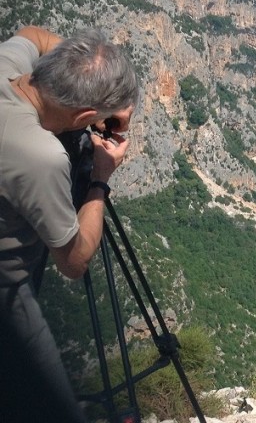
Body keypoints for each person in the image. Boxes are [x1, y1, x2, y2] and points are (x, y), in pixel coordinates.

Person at [0, 26, 138, 422]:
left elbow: (32, 34)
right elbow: (74, 262)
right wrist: (99, 177)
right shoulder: (40, 156)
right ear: (83, 117)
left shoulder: (9, 65)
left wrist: (86, 74)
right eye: (101, 118)